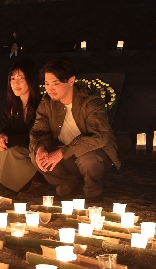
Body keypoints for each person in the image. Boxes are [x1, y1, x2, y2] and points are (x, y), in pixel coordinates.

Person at [29, 58, 120, 202]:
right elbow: (39, 131)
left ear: (71, 81)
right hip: (67, 156)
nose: (50, 89)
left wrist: (62, 152)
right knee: (37, 157)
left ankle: (93, 193)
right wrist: (40, 148)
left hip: (93, 154)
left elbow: (99, 137)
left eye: (55, 83)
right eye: (47, 83)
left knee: (88, 159)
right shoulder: (47, 102)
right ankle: (66, 186)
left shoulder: (90, 101)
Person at [0, 59, 39, 192]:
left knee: (11, 152)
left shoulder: (40, 104)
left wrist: (10, 140)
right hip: (18, 143)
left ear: (30, 80)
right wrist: (2, 136)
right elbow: (5, 126)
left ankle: (35, 181)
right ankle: (19, 184)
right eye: (13, 78)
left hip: (35, 145)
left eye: (21, 78)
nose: (16, 83)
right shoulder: (12, 104)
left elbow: (35, 134)